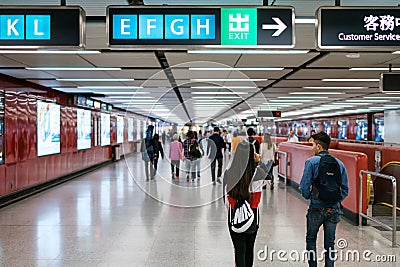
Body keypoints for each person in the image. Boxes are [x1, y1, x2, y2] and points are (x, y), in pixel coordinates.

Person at [299, 132, 349, 267]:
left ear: (319, 147)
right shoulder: (339, 164)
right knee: (330, 243)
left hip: (316, 208)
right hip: (334, 209)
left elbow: (304, 187)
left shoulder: (311, 162)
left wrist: (311, 197)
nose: (312, 148)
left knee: (311, 240)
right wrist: (336, 201)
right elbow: (345, 189)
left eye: (313, 145)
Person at [223, 141, 268, 267]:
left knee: (239, 249)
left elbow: (227, 201)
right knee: (249, 248)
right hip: (253, 216)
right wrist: (259, 162)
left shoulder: (229, 173)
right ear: (252, 155)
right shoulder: (259, 174)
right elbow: (257, 200)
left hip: (234, 214)